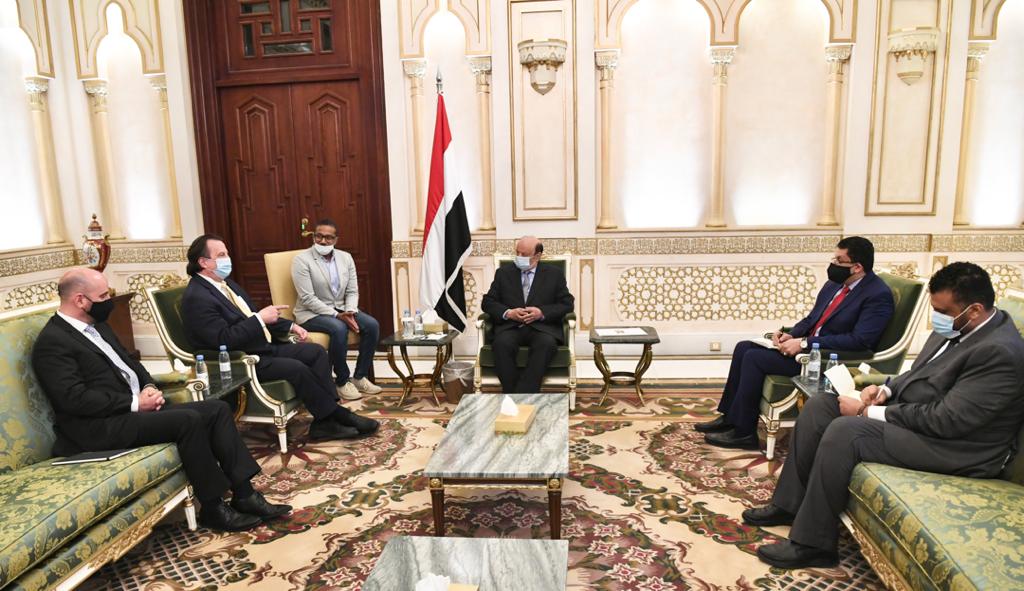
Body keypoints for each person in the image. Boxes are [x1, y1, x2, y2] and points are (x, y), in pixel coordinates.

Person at [746, 262, 1024, 569]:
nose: (938, 318)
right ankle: (789, 505)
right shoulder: (961, 325)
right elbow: (919, 373)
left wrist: (868, 412)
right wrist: (886, 389)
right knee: (821, 406)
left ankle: (813, 544)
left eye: (943, 312)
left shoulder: (999, 352)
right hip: (926, 423)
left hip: (959, 448)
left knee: (846, 432)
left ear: (974, 310)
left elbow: (947, 420)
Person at [32, 268, 291, 532]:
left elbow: (130, 363)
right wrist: (135, 403)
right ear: (80, 300)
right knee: (188, 420)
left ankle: (245, 495)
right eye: (103, 296)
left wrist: (148, 387)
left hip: (129, 411)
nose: (109, 301)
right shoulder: (53, 342)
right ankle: (213, 508)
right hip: (98, 426)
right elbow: (73, 399)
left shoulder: (97, 326)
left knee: (217, 409)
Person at [697, 236, 895, 450]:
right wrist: (789, 335)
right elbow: (812, 319)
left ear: (857, 267)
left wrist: (805, 343)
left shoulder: (878, 294)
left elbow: (860, 340)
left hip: (828, 359)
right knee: (743, 347)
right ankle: (730, 418)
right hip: (808, 347)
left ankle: (744, 433)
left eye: (839, 260)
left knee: (754, 358)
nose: (833, 264)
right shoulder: (834, 285)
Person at [181, 234, 379, 442]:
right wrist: (259, 319)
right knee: (297, 368)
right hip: (242, 359)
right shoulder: (197, 297)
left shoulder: (226, 284)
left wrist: (291, 326)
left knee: (316, 352)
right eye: (221, 255)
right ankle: (337, 416)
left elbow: (253, 315)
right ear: (203, 262)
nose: (227, 259)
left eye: (227, 254)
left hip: (262, 346)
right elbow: (223, 339)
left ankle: (325, 421)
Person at [291, 219, 381, 401]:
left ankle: (360, 377)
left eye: (328, 237)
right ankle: (342, 381)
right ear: (313, 236)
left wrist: (350, 311)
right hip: (311, 313)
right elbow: (307, 298)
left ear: (336, 239)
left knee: (372, 325)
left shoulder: (345, 258)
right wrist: (337, 315)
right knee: (338, 328)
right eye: (319, 236)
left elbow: (352, 291)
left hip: (342, 309)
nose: (323, 241)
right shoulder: (302, 260)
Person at [481, 236, 575, 393]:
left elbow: (567, 304)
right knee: (501, 344)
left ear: (537, 256)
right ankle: (516, 394)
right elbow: (488, 302)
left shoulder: (554, 274)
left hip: (541, 328)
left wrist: (542, 313)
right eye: (517, 252)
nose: (519, 257)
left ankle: (522, 395)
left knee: (546, 344)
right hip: (511, 327)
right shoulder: (503, 273)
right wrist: (508, 313)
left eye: (524, 254)